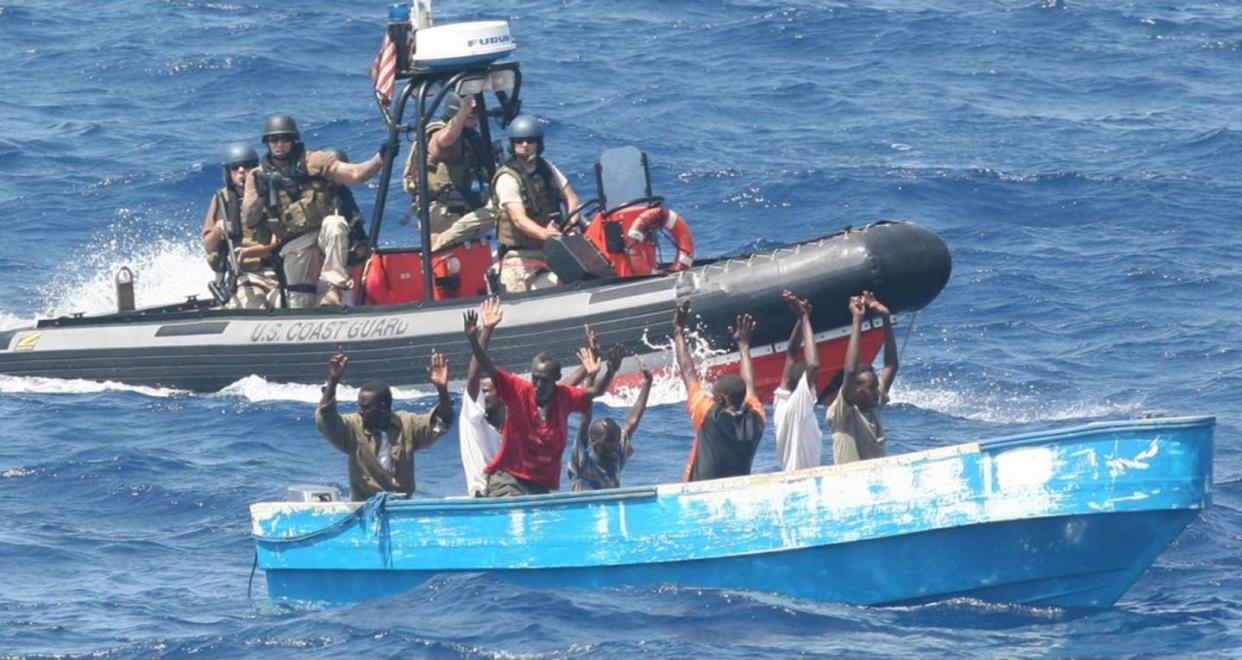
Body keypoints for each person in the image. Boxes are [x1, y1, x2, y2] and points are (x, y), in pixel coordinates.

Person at [462, 312, 621, 497]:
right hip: (508, 481)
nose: (537, 386)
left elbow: (594, 392)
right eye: (534, 379)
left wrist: (610, 371)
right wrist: (473, 339)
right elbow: (487, 366)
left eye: (543, 381)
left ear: (556, 380)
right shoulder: (519, 390)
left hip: (538, 486)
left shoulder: (563, 396)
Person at [242, 113, 388, 307]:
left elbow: (355, 174)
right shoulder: (258, 175)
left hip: (322, 233)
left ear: (293, 140)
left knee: (335, 224)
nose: (279, 144)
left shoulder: (315, 161)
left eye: (285, 139)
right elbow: (249, 218)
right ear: (266, 143)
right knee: (299, 303)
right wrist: (261, 193)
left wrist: (379, 159)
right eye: (273, 140)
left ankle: (335, 287)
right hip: (294, 242)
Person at [315, 349, 454, 501]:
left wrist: (442, 389)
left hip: (400, 505)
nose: (361, 411)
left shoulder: (407, 424)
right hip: (365, 506)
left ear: (383, 407)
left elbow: (441, 421)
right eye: (360, 406)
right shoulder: (353, 426)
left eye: (366, 407)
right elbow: (326, 419)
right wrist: (333, 381)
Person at [672, 300, 766, 481]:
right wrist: (744, 346)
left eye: (713, 394)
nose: (710, 397)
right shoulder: (756, 421)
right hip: (736, 494)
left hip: (700, 495)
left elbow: (688, 373)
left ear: (721, 398)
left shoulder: (709, 414)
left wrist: (678, 332)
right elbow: (750, 389)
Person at [490, 114, 583, 293]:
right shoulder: (507, 177)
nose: (525, 145)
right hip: (520, 257)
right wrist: (545, 234)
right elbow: (519, 220)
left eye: (530, 140)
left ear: (538, 144)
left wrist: (570, 223)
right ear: (512, 144)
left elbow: (571, 197)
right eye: (519, 141)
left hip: (551, 251)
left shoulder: (546, 168)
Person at [402, 91, 496, 252]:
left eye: (475, 117)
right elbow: (446, 139)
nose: (474, 121)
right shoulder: (439, 132)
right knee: (438, 256)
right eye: (469, 117)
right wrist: (461, 114)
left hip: (459, 207)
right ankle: (436, 245)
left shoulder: (470, 140)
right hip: (439, 210)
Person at [202, 142, 282, 309]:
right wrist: (218, 230)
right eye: (235, 168)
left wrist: (250, 252)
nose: (241, 172)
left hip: (273, 270)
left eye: (247, 167)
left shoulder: (270, 195)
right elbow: (208, 245)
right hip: (244, 275)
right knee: (255, 306)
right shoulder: (222, 200)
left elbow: (279, 239)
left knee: (284, 304)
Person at [828, 291, 898, 464]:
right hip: (849, 485)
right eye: (871, 388)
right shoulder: (843, 414)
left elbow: (891, 365)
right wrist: (857, 320)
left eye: (875, 387)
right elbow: (850, 371)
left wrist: (885, 318)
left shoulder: (872, 404)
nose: (877, 392)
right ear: (856, 391)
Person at [568, 354, 654, 491]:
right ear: (593, 441)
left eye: (615, 440)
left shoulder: (615, 453)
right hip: (584, 509)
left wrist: (648, 382)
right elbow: (585, 420)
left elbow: (632, 421)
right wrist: (591, 377)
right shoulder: (582, 460)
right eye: (608, 442)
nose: (614, 446)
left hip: (611, 508)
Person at [459, 296, 506, 497]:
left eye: (487, 392)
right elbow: (473, 376)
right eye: (481, 392)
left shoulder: (512, 424)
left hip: (508, 492)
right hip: (482, 495)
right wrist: (485, 331)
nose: (482, 396)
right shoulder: (472, 419)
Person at [772, 290, 823, 471]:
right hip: (802, 480)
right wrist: (805, 318)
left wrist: (802, 319)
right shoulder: (798, 407)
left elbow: (792, 353)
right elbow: (813, 366)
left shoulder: (781, 403)